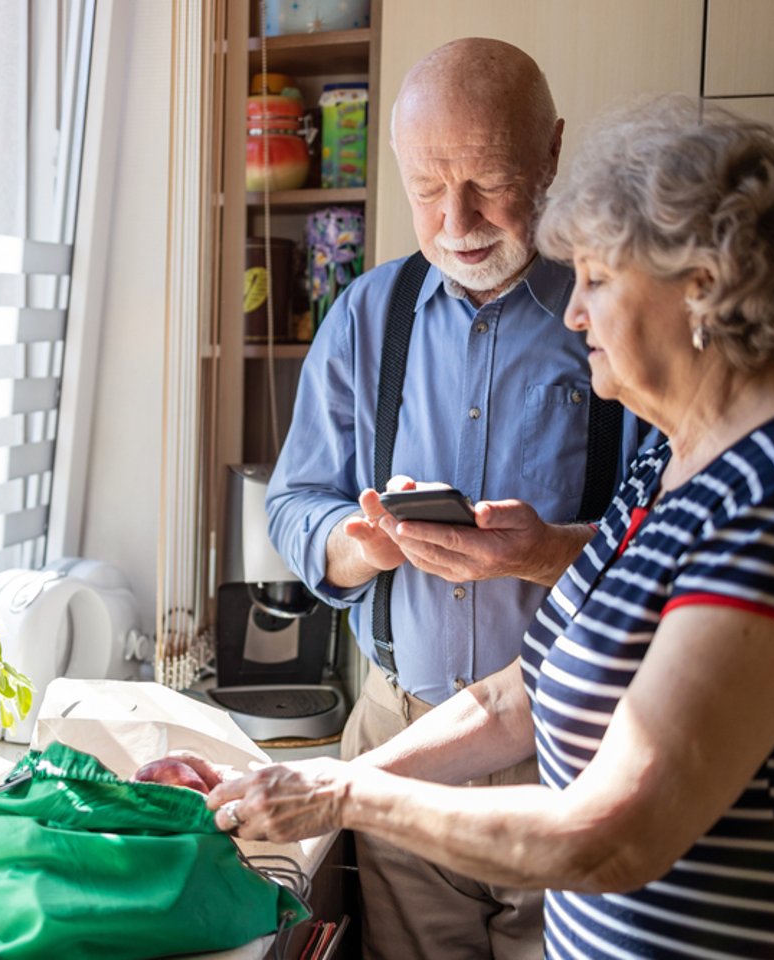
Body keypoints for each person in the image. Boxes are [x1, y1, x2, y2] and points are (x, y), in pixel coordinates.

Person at [216, 94, 774, 958]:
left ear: (700, 288)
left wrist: (344, 800)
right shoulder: (676, 462)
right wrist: (326, 776)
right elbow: (514, 697)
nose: (572, 311)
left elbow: (614, 834)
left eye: (596, 279)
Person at [263, 38, 645, 960]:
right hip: (402, 732)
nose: (456, 218)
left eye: (488, 181)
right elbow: (292, 503)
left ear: (552, 153)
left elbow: (671, 529)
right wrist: (358, 545)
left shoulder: (617, 318)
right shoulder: (364, 314)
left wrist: (546, 549)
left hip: (570, 750)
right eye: (428, 187)